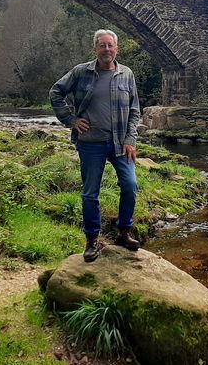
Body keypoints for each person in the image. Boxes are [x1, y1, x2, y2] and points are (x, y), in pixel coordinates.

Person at [49, 29, 141, 262]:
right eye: (102, 46)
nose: (107, 50)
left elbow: (134, 110)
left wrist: (131, 139)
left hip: (121, 143)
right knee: (91, 193)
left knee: (130, 185)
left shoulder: (126, 74)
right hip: (91, 144)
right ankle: (92, 240)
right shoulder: (81, 72)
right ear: (95, 49)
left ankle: (124, 232)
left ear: (116, 49)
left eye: (110, 46)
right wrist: (71, 120)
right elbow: (56, 92)